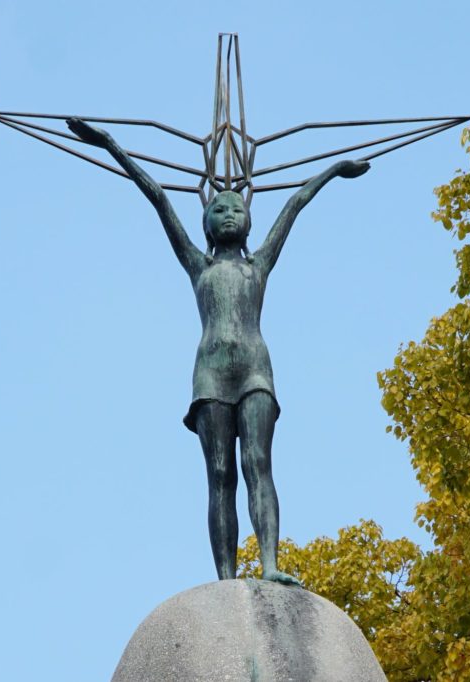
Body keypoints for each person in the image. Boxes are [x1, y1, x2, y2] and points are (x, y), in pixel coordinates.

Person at [67, 118, 369, 584]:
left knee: (258, 465)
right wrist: (111, 145)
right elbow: (158, 199)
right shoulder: (197, 265)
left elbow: (295, 204)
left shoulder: (259, 265)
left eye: (236, 209)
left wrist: (333, 170)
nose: (229, 213)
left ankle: (269, 565)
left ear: (248, 221)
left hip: (254, 371)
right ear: (205, 221)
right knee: (220, 475)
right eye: (218, 209)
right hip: (209, 376)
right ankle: (226, 580)